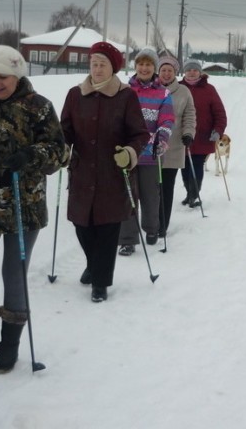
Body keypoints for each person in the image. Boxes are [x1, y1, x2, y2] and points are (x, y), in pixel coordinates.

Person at [0, 45, 67, 373]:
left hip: (24, 204)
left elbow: (59, 152)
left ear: (16, 75)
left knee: (13, 275)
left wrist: (30, 156)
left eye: (2, 76)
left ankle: (10, 342)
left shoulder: (38, 107)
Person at [60, 42, 149, 302]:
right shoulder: (75, 95)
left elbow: (140, 134)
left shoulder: (126, 96)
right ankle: (94, 263)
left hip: (113, 174)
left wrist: (130, 153)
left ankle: (100, 282)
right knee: (82, 226)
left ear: (113, 68)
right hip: (82, 173)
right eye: (93, 64)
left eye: (102, 64)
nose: (97, 69)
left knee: (108, 229)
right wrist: (63, 148)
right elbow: (64, 130)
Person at [117, 47, 175, 255]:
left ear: (154, 68)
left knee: (150, 195)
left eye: (148, 64)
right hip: (127, 154)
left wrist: (162, 138)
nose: (144, 68)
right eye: (140, 64)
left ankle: (152, 228)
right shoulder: (124, 90)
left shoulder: (164, 93)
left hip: (151, 153)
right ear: (136, 66)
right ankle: (127, 239)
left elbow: (167, 120)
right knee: (127, 196)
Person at [156, 53, 196, 234]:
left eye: (169, 70)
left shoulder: (183, 92)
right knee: (151, 189)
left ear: (175, 72)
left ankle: (162, 225)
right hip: (151, 147)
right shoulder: (151, 88)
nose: (166, 74)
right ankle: (150, 222)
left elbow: (189, 115)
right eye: (163, 70)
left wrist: (188, 133)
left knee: (166, 187)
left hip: (174, 146)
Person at [179, 59, 227, 208]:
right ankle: (189, 192)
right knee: (185, 166)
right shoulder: (178, 88)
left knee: (197, 165)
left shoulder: (209, 89)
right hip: (182, 135)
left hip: (203, 136)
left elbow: (220, 113)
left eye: (195, 70)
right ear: (184, 72)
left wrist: (218, 131)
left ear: (200, 72)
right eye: (189, 70)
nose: (192, 72)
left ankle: (194, 194)